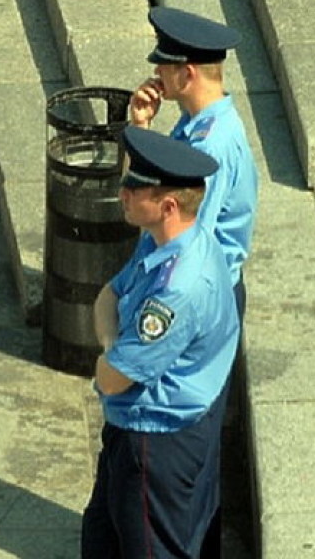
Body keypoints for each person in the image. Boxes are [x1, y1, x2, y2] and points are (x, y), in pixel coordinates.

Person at [80, 125, 239, 558]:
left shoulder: (178, 287)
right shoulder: (163, 244)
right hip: (135, 428)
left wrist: (109, 358)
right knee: (101, 538)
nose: (123, 191)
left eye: (135, 187)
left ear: (168, 205)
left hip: (156, 443)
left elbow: (112, 381)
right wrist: (115, 345)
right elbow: (107, 296)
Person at [130, 6, 258, 321]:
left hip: (196, 302)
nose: (157, 73)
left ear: (187, 74)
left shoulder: (210, 146)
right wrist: (140, 129)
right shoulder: (198, 124)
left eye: (163, 66)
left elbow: (188, 238)